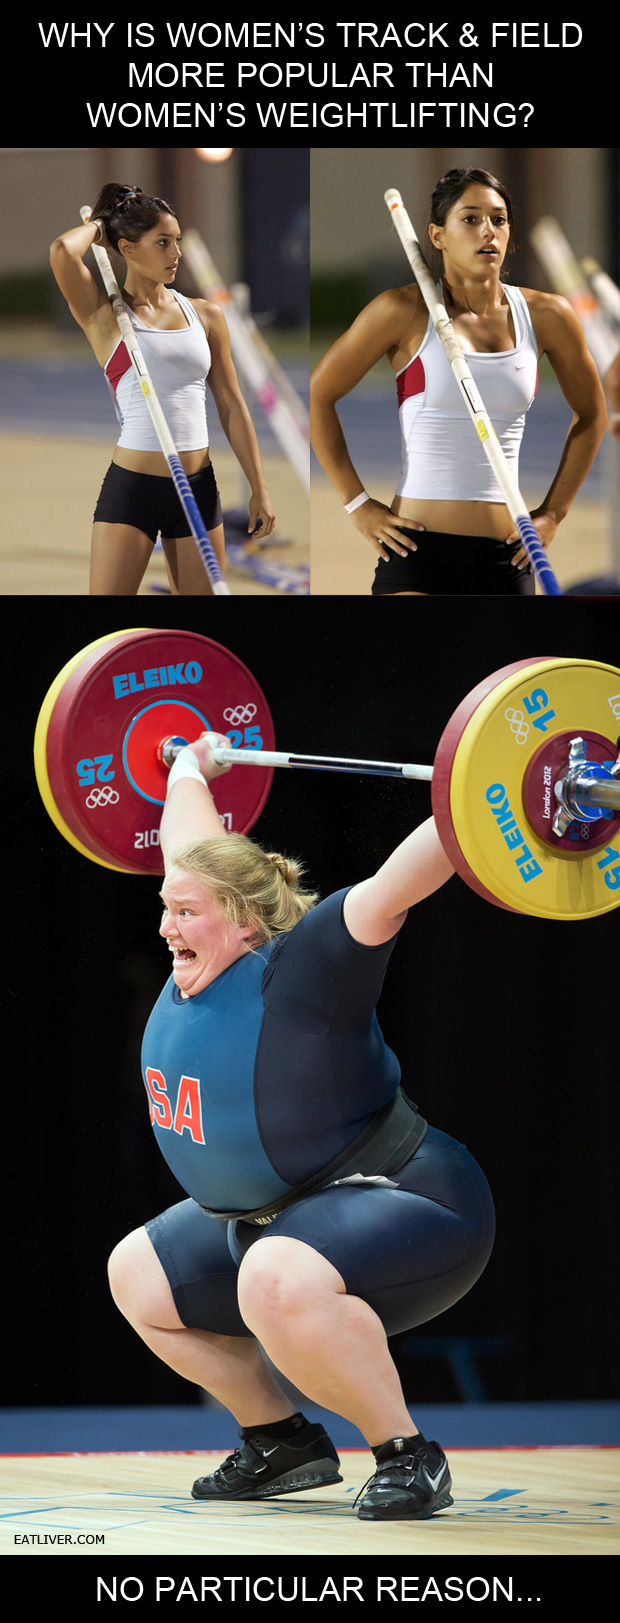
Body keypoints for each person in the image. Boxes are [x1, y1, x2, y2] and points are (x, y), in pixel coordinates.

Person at [106, 731, 496, 1521]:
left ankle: (406, 1454)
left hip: (412, 1201)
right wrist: (188, 761)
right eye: (164, 907)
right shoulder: (203, 925)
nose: (165, 927)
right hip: (274, 1216)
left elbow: (395, 885)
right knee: (136, 1274)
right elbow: (188, 836)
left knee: (272, 1278)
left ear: (247, 920)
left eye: (184, 913)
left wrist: (480, 794)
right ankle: (281, 1441)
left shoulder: (308, 966)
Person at [310, 166, 607, 596]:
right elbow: (321, 393)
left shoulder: (548, 315)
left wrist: (554, 514)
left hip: (507, 555)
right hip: (416, 551)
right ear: (437, 236)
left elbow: (592, 414)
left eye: (498, 219)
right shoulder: (402, 310)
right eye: (470, 219)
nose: (488, 231)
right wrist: (357, 503)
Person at [50, 183, 276, 596]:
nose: (177, 253)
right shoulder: (104, 316)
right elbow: (63, 251)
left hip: (197, 487)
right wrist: (101, 227)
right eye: (162, 243)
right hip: (133, 490)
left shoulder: (205, 315)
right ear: (128, 249)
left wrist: (259, 487)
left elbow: (230, 403)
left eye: (177, 242)